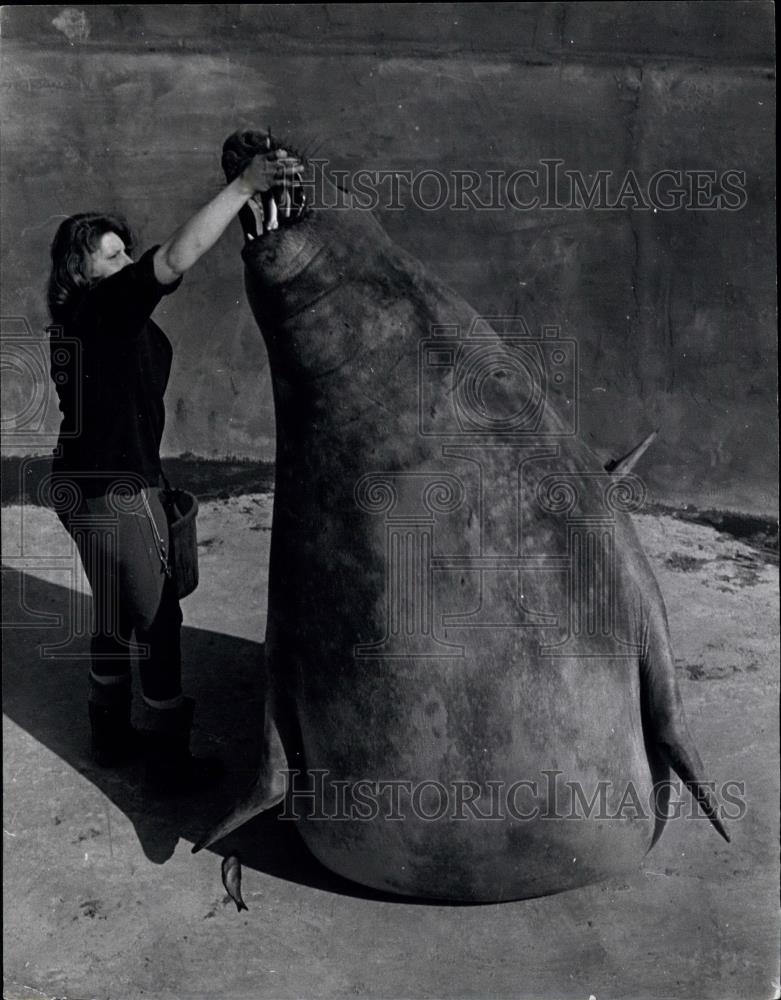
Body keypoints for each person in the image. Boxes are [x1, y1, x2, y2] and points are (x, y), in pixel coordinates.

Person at [46, 145, 301, 794]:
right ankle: (167, 760)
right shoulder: (102, 311)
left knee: (112, 610)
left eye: (123, 252)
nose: (126, 263)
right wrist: (245, 186)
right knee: (158, 624)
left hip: (83, 485)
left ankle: (108, 732)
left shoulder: (79, 321)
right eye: (111, 256)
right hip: (111, 493)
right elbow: (176, 257)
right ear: (80, 271)